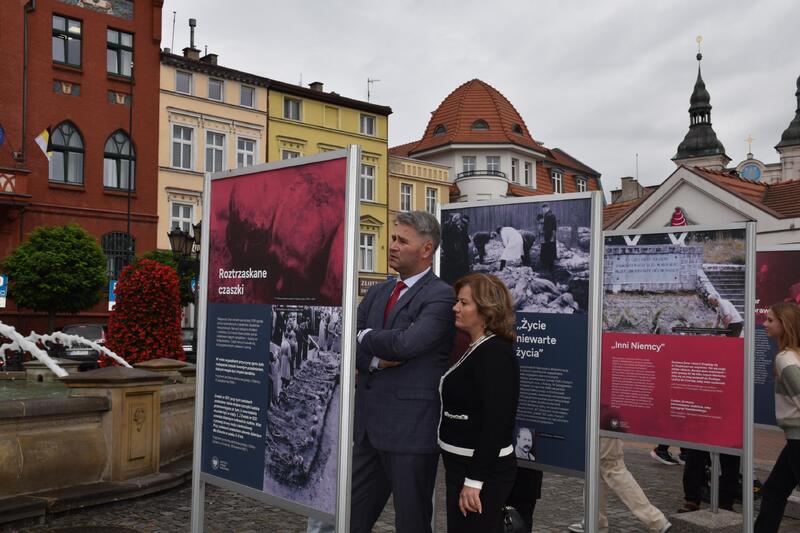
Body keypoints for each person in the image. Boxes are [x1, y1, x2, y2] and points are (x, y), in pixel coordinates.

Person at [351, 210, 456, 533]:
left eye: (401, 240)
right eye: (393, 239)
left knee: (411, 523)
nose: (391, 246)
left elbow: (408, 344)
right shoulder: (378, 292)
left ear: (427, 249)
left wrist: (366, 337)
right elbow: (346, 341)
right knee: (350, 518)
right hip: (368, 428)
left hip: (411, 431)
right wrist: (373, 360)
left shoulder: (441, 295)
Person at [439, 273, 519, 533]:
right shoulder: (477, 347)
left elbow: (497, 422)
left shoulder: (495, 354)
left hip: (481, 473)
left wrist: (474, 480)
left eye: (464, 303)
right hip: (462, 467)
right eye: (457, 301)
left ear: (486, 310)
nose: (455, 308)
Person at [754, 302, 800, 532]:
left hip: (798, 439)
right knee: (773, 490)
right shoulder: (794, 356)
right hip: (795, 438)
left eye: (771, 320)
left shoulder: (785, 358)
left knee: (774, 492)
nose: (765, 324)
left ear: (785, 324)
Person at [569, 437, 672, 533]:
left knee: (610, 465)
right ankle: (595, 520)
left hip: (603, 420)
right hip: (603, 420)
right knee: (597, 465)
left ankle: (656, 520)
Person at [506, 427, 543, 533]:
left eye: (529, 440)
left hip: (527, 482)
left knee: (522, 521)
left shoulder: (532, 457)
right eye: (524, 439)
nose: (527, 443)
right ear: (517, 439)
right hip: (502, 474)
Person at [540, 204, 557, 271]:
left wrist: (552, 237)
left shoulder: (550, 215)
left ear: (547, 208)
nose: (543, 210)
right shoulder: (547, 215)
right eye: (542, 209)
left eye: (543, 209)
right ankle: (549, 267)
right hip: (548, 235)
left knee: (550, 251)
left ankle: (550, 268)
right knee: (549, 251)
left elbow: (553, 227)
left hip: (549, 235)